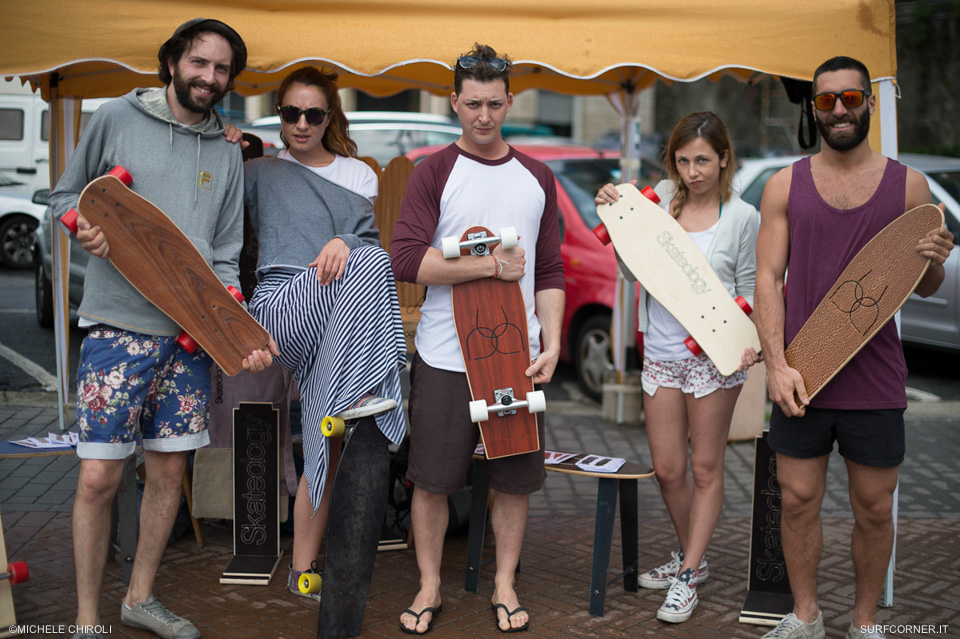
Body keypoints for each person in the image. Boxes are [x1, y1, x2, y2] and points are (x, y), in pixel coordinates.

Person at [49, 18, 277, 639]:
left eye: (222, 69)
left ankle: (139, 599)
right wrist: (82, 228)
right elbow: (65, 197)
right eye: (199, 62)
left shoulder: (227, 150)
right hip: (116, 326)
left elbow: (225, 253)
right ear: (173, 61)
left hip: (189, 338)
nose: (209, 77)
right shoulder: (115, 118)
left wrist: (233, 322)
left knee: (169, 472)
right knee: (99, 475)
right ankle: (87, 618)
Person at [754, 56, 954, 639]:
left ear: (869, 102)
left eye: (849, 98)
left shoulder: (908, 186)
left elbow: (923, 284)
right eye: (826, 100)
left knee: (874, 507)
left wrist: (935, 262)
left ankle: (865, 623)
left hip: (875, 377)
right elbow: (766, 278)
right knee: (797, 501)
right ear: (813, 108)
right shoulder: (784, 185)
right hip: (804, 372)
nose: (838, 109)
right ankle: (806, 616)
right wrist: (776, 365)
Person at [391, 43, 565, 634]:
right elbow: (406, 260)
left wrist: (553, 343)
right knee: (432, 479)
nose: (483, 116)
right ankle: (429, 585)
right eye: (472, 104)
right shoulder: (433, 171)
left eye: (494, 103)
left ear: (510, 101)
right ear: (454, 102)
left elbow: (549, 270)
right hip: (445, 354)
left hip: (517, 357)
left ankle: (505, 583)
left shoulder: (538, 177)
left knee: (514, 480)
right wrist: (491, 267)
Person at [241, 66, 407, 601]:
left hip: (338, 316)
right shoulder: (260, 170)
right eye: (291, 112)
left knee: (327, 436)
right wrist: (225, 144)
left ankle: (302, 571)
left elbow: (362, 244)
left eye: (313, 114)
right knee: (371, 260)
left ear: (329, 116)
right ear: (279, 113)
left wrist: (343, 241)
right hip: (281, 308)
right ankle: (376, 388)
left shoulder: (359, 175)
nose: (302, 124)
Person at [595, 111, 761, 624]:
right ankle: (695, 556)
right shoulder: (660, 200)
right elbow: (631, 271)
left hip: (714, 359)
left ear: (724, 159)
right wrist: (615, 217)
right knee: (668, 468)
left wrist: (746, 339)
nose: (693, 172)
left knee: (706, 467)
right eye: (684, 161)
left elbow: (751, 287)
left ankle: (687, 574)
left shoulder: (743, 216)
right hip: (662, 353)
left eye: (703, 161)